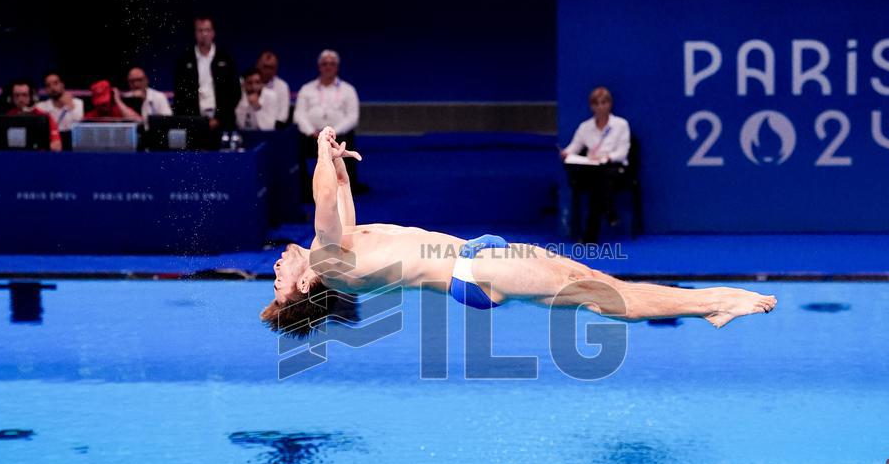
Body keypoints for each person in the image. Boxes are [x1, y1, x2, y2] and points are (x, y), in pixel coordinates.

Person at [260, 127, 777, 338]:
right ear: (307, 286)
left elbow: (342, 215)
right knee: (603, 297)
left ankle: (709, 304)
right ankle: (714, 303)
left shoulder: (335, 261)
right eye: (280, 282)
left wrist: (339, 167)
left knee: (595, 282)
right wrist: (321, 147)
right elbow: (324, 202)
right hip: (475, 269)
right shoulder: (327, 264)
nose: (278, 270)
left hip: (474, 261)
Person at [561, 86, 633, 242]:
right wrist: (566, 153)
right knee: (598, 179)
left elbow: (622, 153)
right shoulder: (585, 127)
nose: (601, 107)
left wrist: (606, 158)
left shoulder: (621, 125)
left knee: (601, 179)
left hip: (615, 169)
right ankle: (610, 211)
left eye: (604, 103)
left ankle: (590, 235)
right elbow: (573, 148)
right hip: (591, 170)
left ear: (610, 104)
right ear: (591, 106)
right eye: (597, 103)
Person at [294, 50, 362, 190]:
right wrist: (311, 131)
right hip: (311, 136)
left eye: (332, 64)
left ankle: (346, 186)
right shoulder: (306, 89)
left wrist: (332, 132)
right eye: (325, 64)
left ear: (337, 67)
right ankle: (306, 188)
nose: (328, 67)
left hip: (338, 135)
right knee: (294, 144)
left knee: (346, 141)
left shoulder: (348, 90)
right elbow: (299, 114)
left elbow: (352, 117)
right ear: (319, 66)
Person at [173, 15, 241, 134]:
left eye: (207, 30)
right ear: (195, 34)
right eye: (200, 30)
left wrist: (219, 119)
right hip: (194, 125)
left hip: (223, 123)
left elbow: (234, 93)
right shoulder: (184, 61)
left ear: (213, 33)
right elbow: (180, 95)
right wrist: (194, 121)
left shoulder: (226, 58)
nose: (204, 34)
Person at [5, 80, 62, 151]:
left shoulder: (45, 118)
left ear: (32, 97)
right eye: (16, 95)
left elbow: (57, 146)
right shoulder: (6, 118)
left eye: (24, 95)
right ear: (11, 98)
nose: (20, 99)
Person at [256, 51, 291, 127]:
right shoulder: (246, 82)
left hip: (273, 129)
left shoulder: (282, 86)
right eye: (265, 66)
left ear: (276, 68)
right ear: (258, 65)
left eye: (271, 67)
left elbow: (283, 115)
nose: (268, 71)